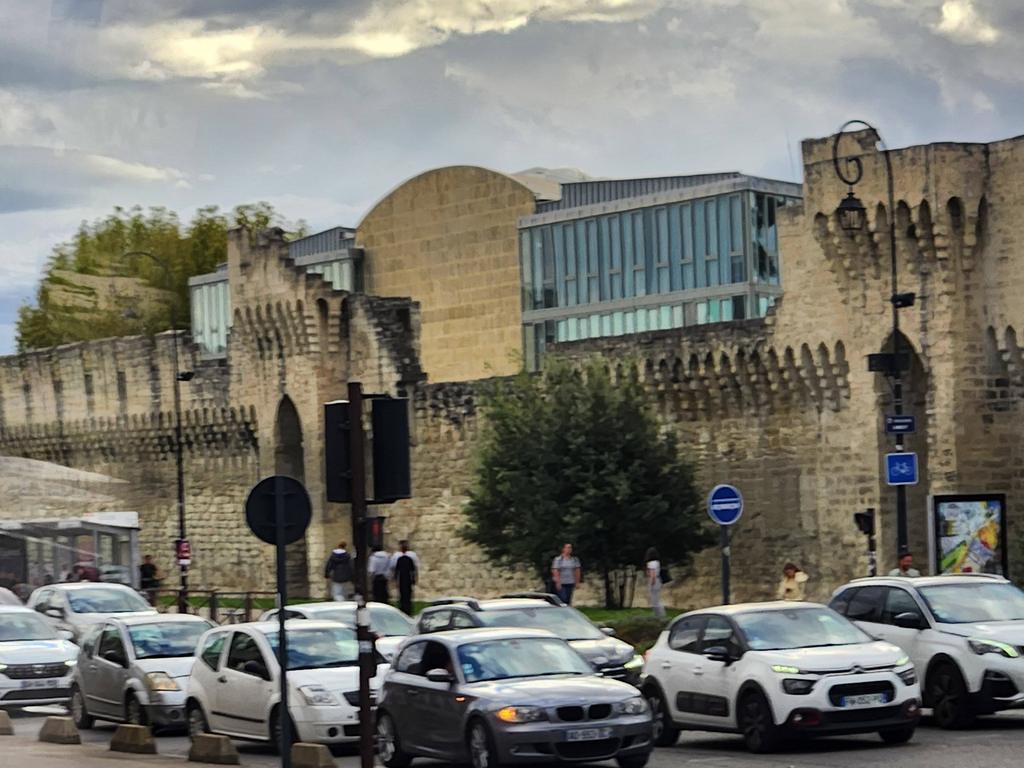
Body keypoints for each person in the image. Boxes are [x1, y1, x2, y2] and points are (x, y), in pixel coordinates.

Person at [391, 540, 419, 616]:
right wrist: (414, 579)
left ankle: (404, 608)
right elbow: (413, 570)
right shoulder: (409, 559)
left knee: (403, 594)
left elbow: (396, 571)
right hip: (407, 579)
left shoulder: (400, 559)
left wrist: (395, 579)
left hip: (402, 579)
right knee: (407, 595)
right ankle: (407, 609)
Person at [645, 547, 665, 619]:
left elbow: (652, 574)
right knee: (658, 598)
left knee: (654, 600)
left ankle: (658, 615)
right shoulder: (657, 562)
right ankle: (661, 614)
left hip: (654, 581)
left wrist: (651, 583)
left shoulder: (650, 563)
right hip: (658, 580)